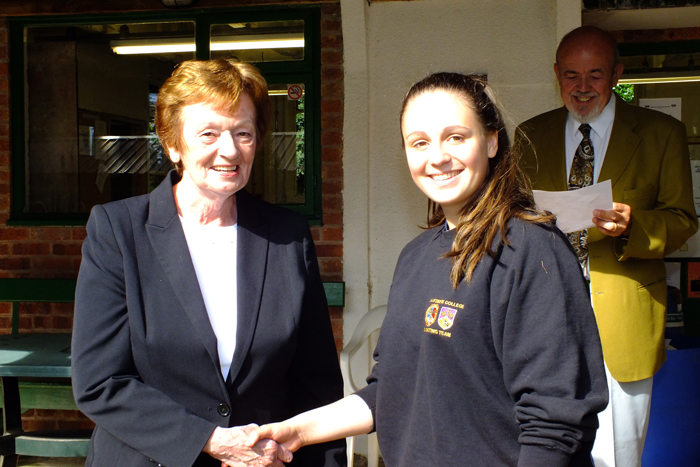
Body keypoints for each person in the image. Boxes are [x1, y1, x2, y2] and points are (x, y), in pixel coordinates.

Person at [247, 72, 608, 467]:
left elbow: (555, 424)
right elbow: (392, 389)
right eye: (419, 142)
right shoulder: (417, 256)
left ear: (491, 141)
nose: (437, 157)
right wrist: (295, 431)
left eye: (456, 136)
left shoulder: (531, 251)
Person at [71, 58, 346, 467]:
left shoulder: (286, 235)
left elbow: (316, 382)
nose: (230, 149)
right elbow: (99, 382)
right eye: (209, 133)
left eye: (243, 133)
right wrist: (210, 440)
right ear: (173, 144)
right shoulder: (119, 231)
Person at [514, 26, 698, 467]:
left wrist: (633, 226)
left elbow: (682, 221)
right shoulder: (528, 135)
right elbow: (514, 215)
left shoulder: (661, 133)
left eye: (594, 75)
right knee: (546, 448)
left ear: (617, 74)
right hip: (544, 316)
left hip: (622, 316)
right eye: (571, 75)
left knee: (617, 455)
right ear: (556, 74)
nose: (581, 88)